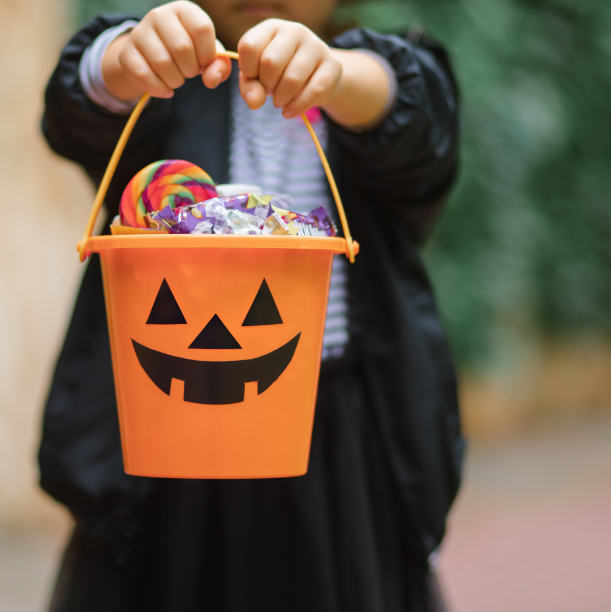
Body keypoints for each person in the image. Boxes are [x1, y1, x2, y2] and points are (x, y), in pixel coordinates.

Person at [39, 1, 463, 610]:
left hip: (336, 442)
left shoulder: (363, 79)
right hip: (163, 447)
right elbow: (73, 108)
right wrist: (121, 62)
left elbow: (421, 120)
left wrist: (338, 76)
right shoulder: (162, 90)